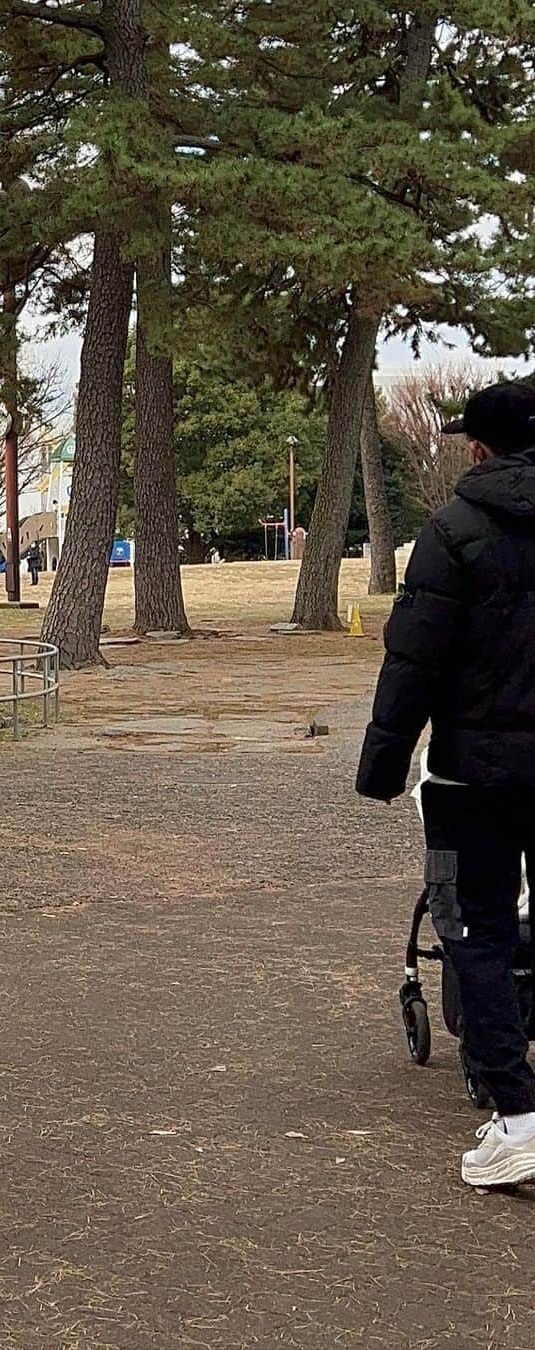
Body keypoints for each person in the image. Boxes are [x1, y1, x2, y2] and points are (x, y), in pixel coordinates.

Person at [357, 381, 535, 1188]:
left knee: (475, 931)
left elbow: (414, 659)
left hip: (472, 777)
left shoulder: (452, 532)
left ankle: (520, 1115)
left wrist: (384, 765)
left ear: (477, 449)